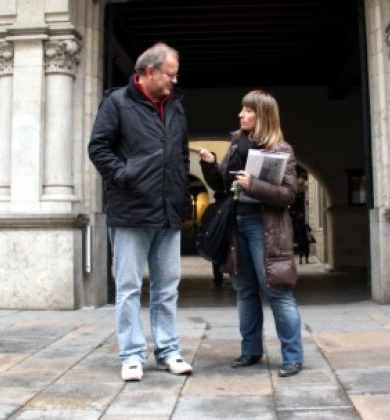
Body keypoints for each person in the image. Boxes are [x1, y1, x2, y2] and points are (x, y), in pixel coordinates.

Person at [88, 42, 193, 382]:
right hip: (131, 208)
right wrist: (123, 175)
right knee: (130, 286)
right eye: (170, 75)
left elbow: (179, 155)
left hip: (168, 210)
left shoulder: (175, 105)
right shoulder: (116, 102)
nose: (174, 81)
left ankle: (168, 350)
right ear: (149, 72)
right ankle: (132, 355)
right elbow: (98, 147)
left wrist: (182, 197)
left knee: (167, 287)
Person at [198, 90, 304, 377]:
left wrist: (253, 185)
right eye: (241, 110)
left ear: (263, 115)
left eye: (247, 110)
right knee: (244, 291)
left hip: (265, 228)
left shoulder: (282, 150)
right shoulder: (235, 145)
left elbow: (287, 196)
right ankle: (250, 351)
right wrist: (209, 164)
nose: (241, 115)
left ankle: (292, 356)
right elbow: (223, 185)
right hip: (237, 225)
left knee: (276, 290)